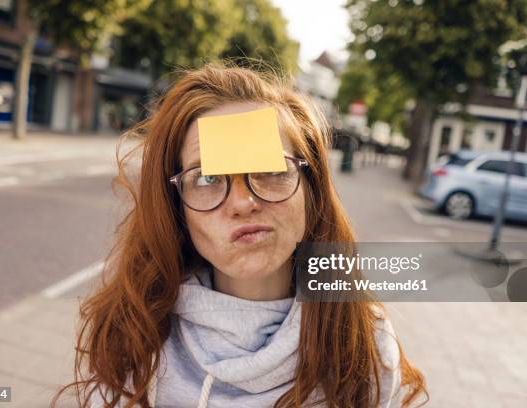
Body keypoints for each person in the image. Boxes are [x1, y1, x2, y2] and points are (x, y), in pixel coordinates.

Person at [53, 61, 428, 408]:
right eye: (208, 178)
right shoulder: (132, 332)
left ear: (311, 190)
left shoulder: (366, 339)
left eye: (270, 169)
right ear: (174, 207)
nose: (243, 202)